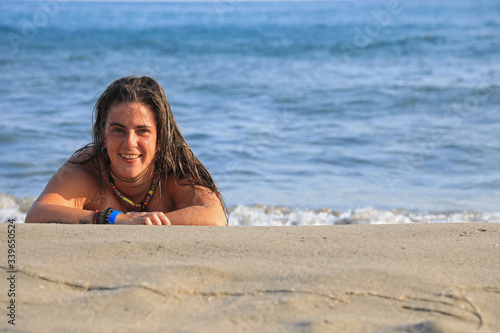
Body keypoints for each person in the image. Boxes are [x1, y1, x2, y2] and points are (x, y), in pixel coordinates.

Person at [26, 76, 227, 226]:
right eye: (118, 130)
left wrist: (144, 224)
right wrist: (115, 219)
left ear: (160, 139)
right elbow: (37, 214)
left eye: (142, 131)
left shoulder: (174, 170)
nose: (129, 142)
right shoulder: (87, 170)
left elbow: (215, 216)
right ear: (102, 135)